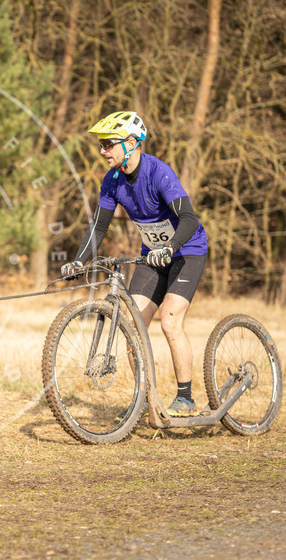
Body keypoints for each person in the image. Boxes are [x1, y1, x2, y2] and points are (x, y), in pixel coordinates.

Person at [61, 110, 208, 416]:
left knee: (169, 321)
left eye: (108, 144)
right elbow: (99, 227)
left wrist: (170, 247)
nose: (103, 151)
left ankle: (185, 398)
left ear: (131, 142)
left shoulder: (159, 172)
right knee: (131, 325)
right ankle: (147, 400)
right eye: (101, 144)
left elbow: (189, 218)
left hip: (187, 250)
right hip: (152, 256)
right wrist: (78, 261)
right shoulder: (112, 180)